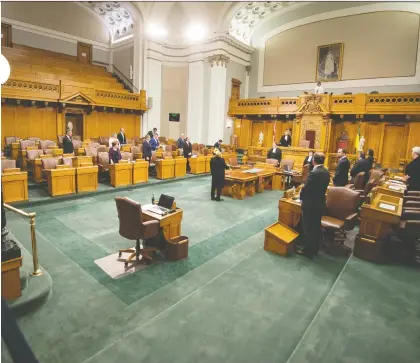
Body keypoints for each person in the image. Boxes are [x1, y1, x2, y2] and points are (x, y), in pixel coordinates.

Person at [298, 152, 330, 258]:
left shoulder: (314, 173)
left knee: (308, 227)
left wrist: (301, 197)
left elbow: (306, 188)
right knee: (316, 227)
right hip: (319, 202)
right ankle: (315, 249)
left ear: (313, 160)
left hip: (310, 204)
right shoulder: (326, 171)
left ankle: (307, 250)